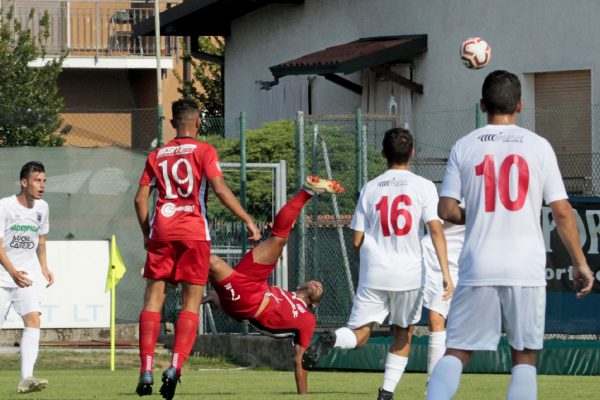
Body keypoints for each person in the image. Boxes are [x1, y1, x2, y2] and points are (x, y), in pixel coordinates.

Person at [427, 70, 595, 400]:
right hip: (525, 266)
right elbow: (561, 211)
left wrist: (475, 213)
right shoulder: (538, 146)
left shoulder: (465, 145)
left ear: (482, 104)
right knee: (524, 356)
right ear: (520, 104)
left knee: (457, 351)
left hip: (478, 264)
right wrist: (580, 263)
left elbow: (445, 210)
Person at [302, 128, 454, 400]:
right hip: (409, 275)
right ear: (413, 153)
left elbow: (357, 239)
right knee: (402, 334)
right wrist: (445, 274)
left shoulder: (371, 188)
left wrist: (367, 263)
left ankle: (333, 338)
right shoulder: (424, 186)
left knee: (359, 335)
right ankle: (386, 393)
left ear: (383, 153)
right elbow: (435, 230)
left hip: (374, 273)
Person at [134, 98, 261, 400]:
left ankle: (146, 368)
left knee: (153, 302)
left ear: (173, 123)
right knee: (191, 304)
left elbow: (140, 200)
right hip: (194, 232)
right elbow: (219, 188)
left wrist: (147, 234)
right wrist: (247, 220)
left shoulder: (157, 154)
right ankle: (175, 367)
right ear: (199, 122)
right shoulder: (205, 151)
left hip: (162, 231)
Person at [202, 175, 344, 394]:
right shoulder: (284, 293)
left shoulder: (307, 319)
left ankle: (168, 266)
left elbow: (301, 359)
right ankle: (307, 191)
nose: (318, 284)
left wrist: (303, 395)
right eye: (316, 282)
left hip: (251, 302)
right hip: (257, 285)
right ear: (301, 284)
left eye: (321, 289)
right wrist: (220, 299)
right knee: (279, 238)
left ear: (315, 304)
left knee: (212, 261)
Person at [0, 161, 54, 393]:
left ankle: (26, 378)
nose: (41, 186)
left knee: (33, 319)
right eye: (36, 180)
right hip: (3, 276)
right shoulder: (5, 206)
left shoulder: (42, 208)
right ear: (24, 182)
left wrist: (44, 267)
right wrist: (12, 272)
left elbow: (41, 239)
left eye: (43, 181)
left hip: (26, 277)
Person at [421, 221, 464, 382]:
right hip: (424, 254)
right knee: (404, 324)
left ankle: (433, 385)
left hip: (454, 265)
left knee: (435, 317)